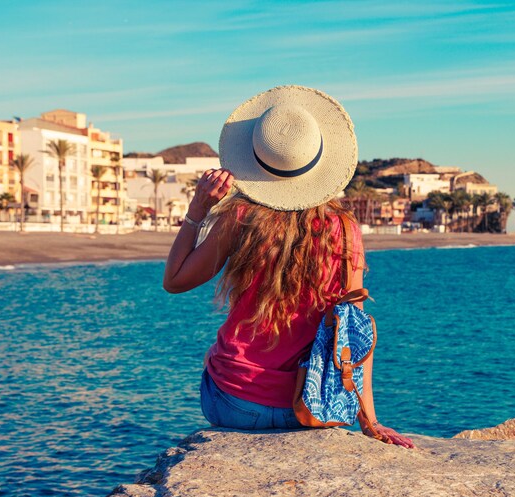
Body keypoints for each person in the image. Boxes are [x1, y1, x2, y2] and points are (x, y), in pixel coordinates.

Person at [162, 85, 413, 448]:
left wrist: (196, 212)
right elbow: (354, 333)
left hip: (233, 403)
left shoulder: (241, 218)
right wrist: (369, 422)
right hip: (312, 408)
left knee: (214, 357)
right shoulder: (344, 231)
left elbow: (174, 281)